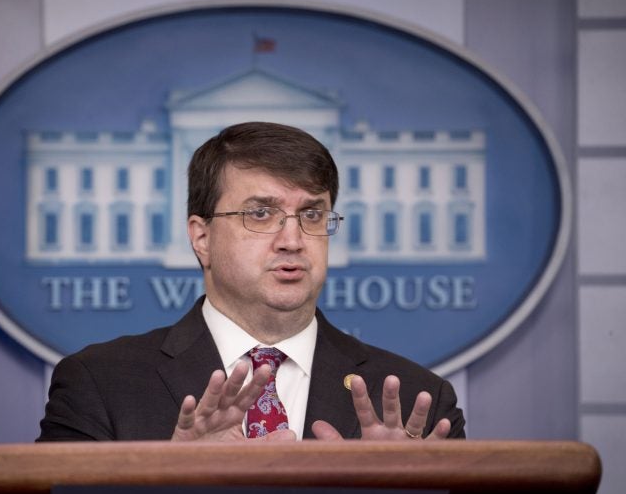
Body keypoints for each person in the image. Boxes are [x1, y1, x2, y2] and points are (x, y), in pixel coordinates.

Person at [38, 121, 465, 442]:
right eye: (261, 213)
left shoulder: (419, 401)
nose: (294, 240)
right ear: (201, 237)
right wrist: (169, 484)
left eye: (312, 214)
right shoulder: (100, 383)